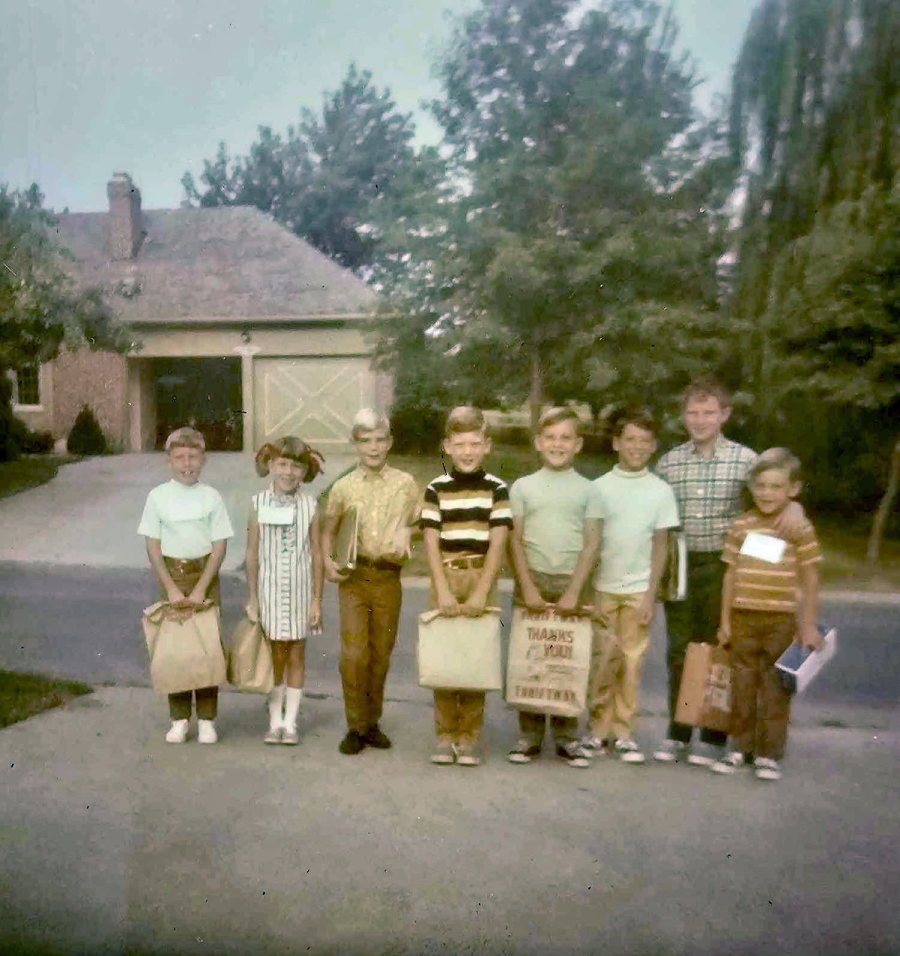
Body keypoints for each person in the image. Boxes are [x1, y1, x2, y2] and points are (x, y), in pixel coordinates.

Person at [653, 375, 804, 766]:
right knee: (681, 653)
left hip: (728, 567)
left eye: (709, 412)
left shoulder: (746, 460)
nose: (700, 420)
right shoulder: (669, 463)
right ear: (683, 416)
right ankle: (679, 733)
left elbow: (774, 496)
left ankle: (716, 734)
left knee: (720, 654)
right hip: (683, 564)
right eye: (693, 412)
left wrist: (795, 508)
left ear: (725, 414)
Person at [711, 449, 822, 781]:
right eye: (761, 486)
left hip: (781, 619)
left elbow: (810, 577)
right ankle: (738, 747)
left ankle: (768, 753)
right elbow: (730, 575)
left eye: (776, 487)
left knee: (775, 688)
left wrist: (808, 624)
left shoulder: (797, 528)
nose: (767, 493)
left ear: (793, 490)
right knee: (742, 685)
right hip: (744, 616)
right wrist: (726, 622)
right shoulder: (741, 525)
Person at [582, 406, 679, 765]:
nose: (637, 447)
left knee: (632, 661)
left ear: (653, 447)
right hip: (605, 587)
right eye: (630, 440)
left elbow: (660, 545)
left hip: (639, 590)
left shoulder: (660, 491)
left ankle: (623, 731)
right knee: (602, 659)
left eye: (645, 441)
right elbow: (591, 544)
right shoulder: (599, 488)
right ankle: (596, 729)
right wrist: (590, 590)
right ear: (616, 443)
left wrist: (651, 595)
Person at [321, 409, 419, 756]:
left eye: (380, 440)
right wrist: (327, 561)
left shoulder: (406, 484)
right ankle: (354, 725)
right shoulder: (344, 486)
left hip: (388, 576)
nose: (374, 447)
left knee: (380, 654)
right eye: (366, 441)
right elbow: (328, 530)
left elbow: (421, 523)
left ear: (389, 442)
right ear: (356, 445)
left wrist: (410, 529)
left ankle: (372, 721)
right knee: (354, 654)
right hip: (354, 577)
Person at [506, 406, 599, 769]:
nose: (557, 444)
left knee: (566, 659)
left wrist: (575, 589)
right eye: (550, 438)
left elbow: (592, 543)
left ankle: (566, 737)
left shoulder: (589, 489)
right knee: (531, 658)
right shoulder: (524, 487)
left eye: (565, 438)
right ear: (538, 443)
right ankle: (529, 735)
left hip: (571, 581)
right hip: (533, 577)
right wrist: (526, 584)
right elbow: (514, 540)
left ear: (578, 444)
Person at [420, 406, 512, 767]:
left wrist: (480, 591)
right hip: (445, 573)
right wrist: (442, 588)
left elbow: (499, 542)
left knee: (475, 657)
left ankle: (469, 734)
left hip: (481, 577)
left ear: (487, 445)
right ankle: (445, 734)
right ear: (447, 446)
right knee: (445, 655)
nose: (468, 451)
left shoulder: (497, 489)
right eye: (460, 444)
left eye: (475, 443)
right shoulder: (436, 489)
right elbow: (430, 541)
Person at [138, 427, 233, 744]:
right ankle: (179, 718)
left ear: (203, 460)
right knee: (176, 651)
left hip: (204, 574)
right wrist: (173, 588)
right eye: (180, 457)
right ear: (169, 460)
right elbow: (153, 547)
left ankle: (207, 719)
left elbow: (220, 546)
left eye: (193, 457)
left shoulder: (212, 497)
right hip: (172, 577)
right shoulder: (158, 497)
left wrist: (202, 588)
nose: (187, 464)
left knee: (205, 648)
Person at [246, 437, 325, 746]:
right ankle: (274, 720)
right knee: (274, 656)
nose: (288, 472)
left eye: (295, 466)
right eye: (282, 464)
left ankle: (290, 723)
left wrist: (317, 599)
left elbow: (317, 553)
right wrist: (252, 596)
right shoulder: (257, 503)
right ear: (270, 465)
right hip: (268, 591)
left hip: (301, 591)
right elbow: (252, 553)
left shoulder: (311, 504)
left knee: (296, 655)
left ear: (305, 470)